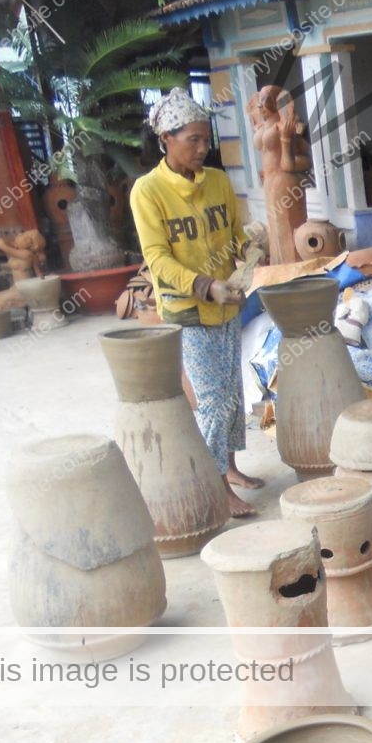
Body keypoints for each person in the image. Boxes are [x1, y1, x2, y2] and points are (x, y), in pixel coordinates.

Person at [131, 88, 263, 517]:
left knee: (232, 390)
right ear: (166, 139)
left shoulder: (219, 182)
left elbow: (235, 236)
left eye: (207, 139)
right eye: (193, 140)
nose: (204, 148)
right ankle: (214, 487)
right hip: (189, 309)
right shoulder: (147, 191)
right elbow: (157, 259)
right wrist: (205, 285)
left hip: (227, 301)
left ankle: (230, 467)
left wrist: (251, 251)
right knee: (210, 399)